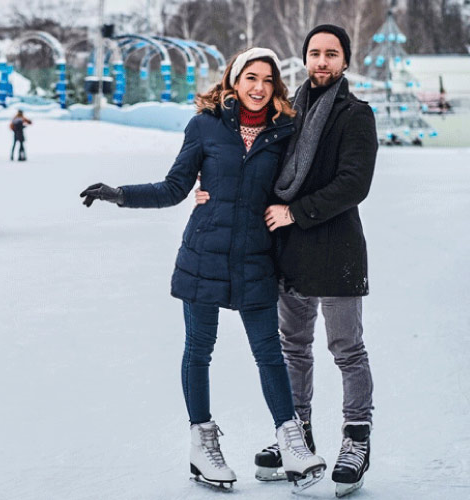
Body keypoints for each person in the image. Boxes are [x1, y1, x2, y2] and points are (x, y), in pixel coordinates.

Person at [80, 48, 326, 492]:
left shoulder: (285, 130)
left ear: (276, 87)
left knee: (268, 351)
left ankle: (290, 440)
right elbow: (175, 187)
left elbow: (297, 185)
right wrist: (120, 194)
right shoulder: (205, 125)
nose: (258, 88)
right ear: (233, 80)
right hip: (204, 254)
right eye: (250, 77)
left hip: (256, 257)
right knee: (199, 350)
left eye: (267, 80)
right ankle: (202, 445)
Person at [195, 25, 377, 498]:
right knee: (293, 349)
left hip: (335, 249)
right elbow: (253, 164)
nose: (322, 61)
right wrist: (214, 191)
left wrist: (296, 211)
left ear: (344, 61)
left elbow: (354, 183)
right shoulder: (288, 115)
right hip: (290, 252)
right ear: (305, 59)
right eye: (315, 53)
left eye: (331, 54)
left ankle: (356, 438)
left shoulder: (356, 114)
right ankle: (299, 436)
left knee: (347, 350)